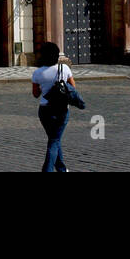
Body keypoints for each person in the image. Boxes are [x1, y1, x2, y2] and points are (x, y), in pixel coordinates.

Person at [31, 41, 84, 172]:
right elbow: (72, 87)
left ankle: (61, 169)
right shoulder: (64, 69)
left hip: (45, 110)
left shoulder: (37, 73)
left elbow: (35, 94)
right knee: (54, 140)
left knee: (54, 139)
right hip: (61, 109)